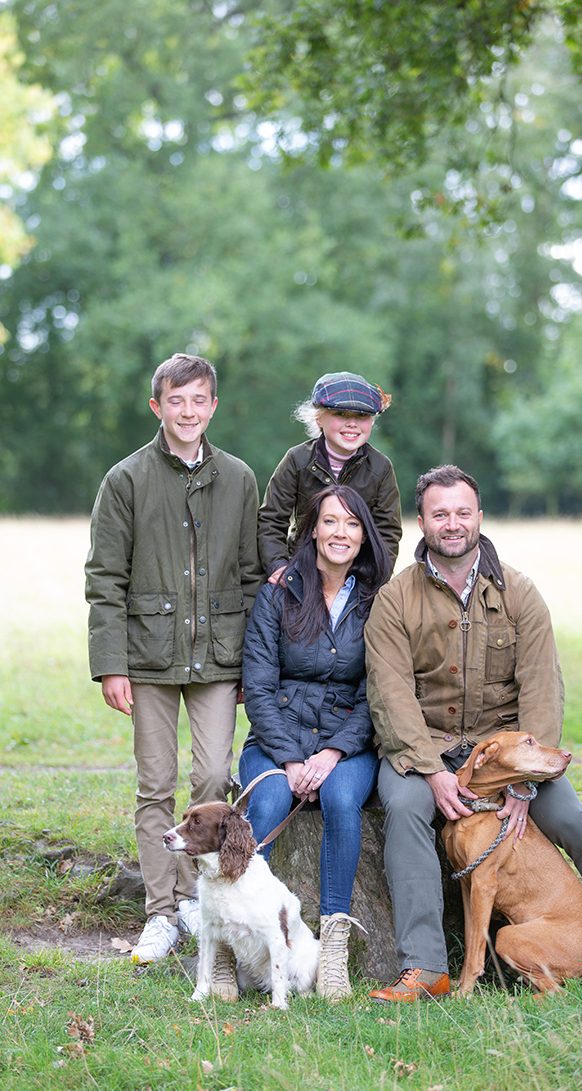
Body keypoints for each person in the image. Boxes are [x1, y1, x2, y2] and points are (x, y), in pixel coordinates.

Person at [364, 464, 582, 1002]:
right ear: (421, 522)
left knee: (571, 819)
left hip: (509, 750)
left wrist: (523, 784)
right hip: (428, 748)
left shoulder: (520, 592)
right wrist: (432, 772)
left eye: (463, 512)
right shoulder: (395, 600)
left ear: (480, 517)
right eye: (440, 514)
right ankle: (427, 968)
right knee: (404, 808)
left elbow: (541, 688)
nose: (453, 523)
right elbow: (390, 695)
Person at [85, 353, 262, 965]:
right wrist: (111, 662)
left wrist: (249, 664)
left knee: (214, 776)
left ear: (213, 405)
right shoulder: (126, 479)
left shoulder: (239, 477)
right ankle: (163, 912)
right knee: (155, 784)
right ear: (157, 405)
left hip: (218, 655)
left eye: (199, 400)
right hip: (149, 654)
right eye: (176, 401)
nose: (188, 411)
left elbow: (250, 572)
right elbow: (105, 577)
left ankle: (198, 899)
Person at [239, 484, 391, 999]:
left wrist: (331, 753)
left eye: (352, 524)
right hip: (275, 738)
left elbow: (380, 690)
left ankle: (331, 950)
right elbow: (257, 686)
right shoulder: (279, 591)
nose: (340, 533)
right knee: (269, 801)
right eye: (330, 522)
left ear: (364, 535)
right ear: (312, 530)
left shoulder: (378, 600)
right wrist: (288, 756)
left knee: (341, 799)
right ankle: (234, 947)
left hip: (347, 742)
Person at [257, 371, 402, 580]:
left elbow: (387, 533)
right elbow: (272, 519)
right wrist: (278, 566)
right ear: (318, 418)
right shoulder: (296, 460)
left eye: (362, 416)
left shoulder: (381, 468)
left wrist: (372, 578)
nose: (352, 423)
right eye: (340, 414)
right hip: (300, 571)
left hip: (357, 576)